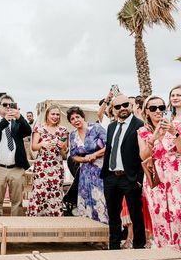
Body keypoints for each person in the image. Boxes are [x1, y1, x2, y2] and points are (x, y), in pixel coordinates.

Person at [100, 94, 146, 250]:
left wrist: (139, 179)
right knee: (113, 215)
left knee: (136, 215)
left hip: (130, 178)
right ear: (113, 110)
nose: (123, 108)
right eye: (118, 106)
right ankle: (113, 247)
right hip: (111, 177)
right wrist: (105, 175)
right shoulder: (111, 127)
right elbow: (110, 151)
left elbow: (143, 154)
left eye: (125, 104)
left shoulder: (139, 125)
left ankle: (139, 247)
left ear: (130, 106)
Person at [137, 94, 181, 248]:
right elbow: (143, 156)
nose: (158, 111)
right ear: (146, 111)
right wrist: (153, 138)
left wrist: (174, 132)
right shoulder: (143, 131)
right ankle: (164, 249)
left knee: (178, 213)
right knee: (160, 214)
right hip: (156, 178)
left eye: (161, 107)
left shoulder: (174, 126)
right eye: (153, 108)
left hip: (175, 177)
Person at [0, 94, 32, 216]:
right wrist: (5, 121)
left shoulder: (17, 123)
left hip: (16, 168)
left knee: (17, 202)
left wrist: (19, 117)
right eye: (5, 105)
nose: (8, 107)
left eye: (11, 105)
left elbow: (28, 131)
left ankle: (16, 229)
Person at [67, 106, 108, 223]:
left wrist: (95, 154)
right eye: (72, 119)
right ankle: (88, 232)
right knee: (86, 198)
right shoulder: (73, 135)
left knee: (101, 198)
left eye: (77, 117)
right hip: (84, 171)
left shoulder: (96, 128)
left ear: (83, 117)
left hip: (100, 169)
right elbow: (73, 155)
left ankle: (104, 230)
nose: (76, 120)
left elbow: (108, 145)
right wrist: (85, 159)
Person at [27, 105, 68, 217]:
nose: (55, 116)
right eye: (53, 114)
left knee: (55, 191)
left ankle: (54, 218)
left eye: (57, 114)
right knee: (39, 191)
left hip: (56, 165)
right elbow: (34, 147)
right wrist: (42, 144)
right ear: (47, 115)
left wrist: (63, 146)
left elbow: (65, 151)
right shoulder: (39, 128)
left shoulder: (63, 130)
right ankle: (37, 218)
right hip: (42, 164)